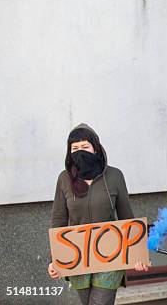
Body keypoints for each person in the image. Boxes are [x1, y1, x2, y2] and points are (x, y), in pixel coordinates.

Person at [48, 124, 147, 305]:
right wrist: (54, 259)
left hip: (111, 254)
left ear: (95, 148)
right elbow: (58, 220)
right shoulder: (64, 178)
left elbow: (127, 216)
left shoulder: (115, 176)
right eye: (74, 148)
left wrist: (138, 253)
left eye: (85, 147)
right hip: (77, 256)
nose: (80, 151)